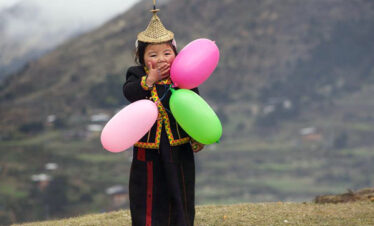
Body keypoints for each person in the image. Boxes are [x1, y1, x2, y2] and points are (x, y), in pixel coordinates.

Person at [123, 6, 204, 226]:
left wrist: (196, 135)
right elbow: (130, 93)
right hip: (148, 150)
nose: (161, 59)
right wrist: (149, 80)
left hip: (179, 147)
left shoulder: (184, 77)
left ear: (176, 54)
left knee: (180, 189)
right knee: (149, 191)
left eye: (167, 53)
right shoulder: (137, 75)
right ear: (142, 58)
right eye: (153, 54)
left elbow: (193, 108)